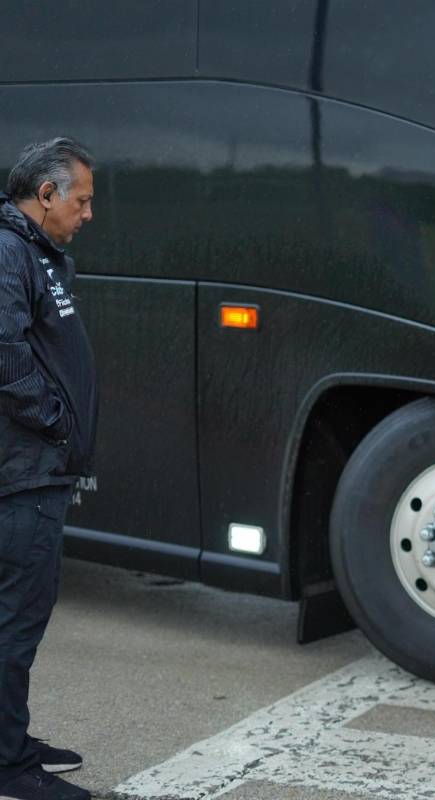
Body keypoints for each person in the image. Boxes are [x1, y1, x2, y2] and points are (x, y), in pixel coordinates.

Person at [0, 137, 99, 800]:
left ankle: (9, 740)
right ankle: (8, 769)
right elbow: (3, 355)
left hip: (38, 468)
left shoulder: (34, 252)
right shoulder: (10, 252)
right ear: (46, 195)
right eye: (82, 200)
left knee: (17, 617)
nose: (87, 214)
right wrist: (59, 423)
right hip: (24, 473)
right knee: (16, 619)